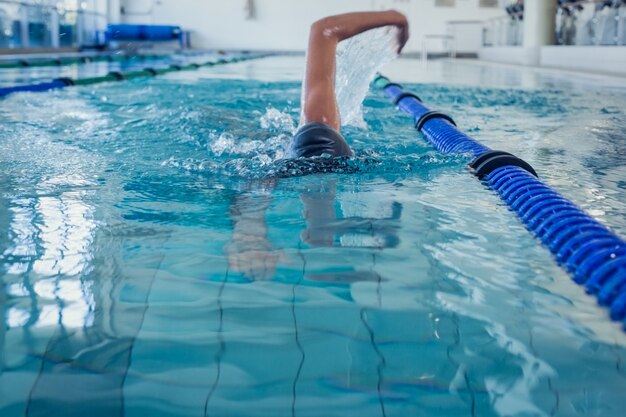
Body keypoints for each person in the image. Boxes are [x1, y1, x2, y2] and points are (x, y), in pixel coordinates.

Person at [290, 10, 409, 159]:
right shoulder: (318, 122)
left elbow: (324, 30)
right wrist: (398, 18)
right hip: (322, 146)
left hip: (317, 150)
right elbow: (323, 29)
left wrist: (396, 18)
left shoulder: (318, 122)